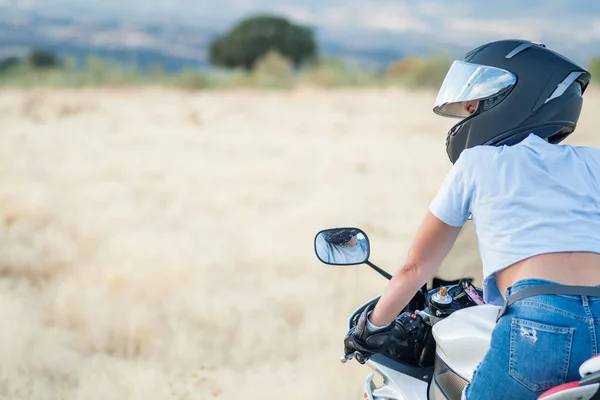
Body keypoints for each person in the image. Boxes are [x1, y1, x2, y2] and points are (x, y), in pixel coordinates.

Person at [342, 39, 600, 399]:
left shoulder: (478, 162)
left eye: (474, 104)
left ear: (513, 99)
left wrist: (369, 328)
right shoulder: (592, 161)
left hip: (539, 323)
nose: (468, 112)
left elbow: (414, 268)